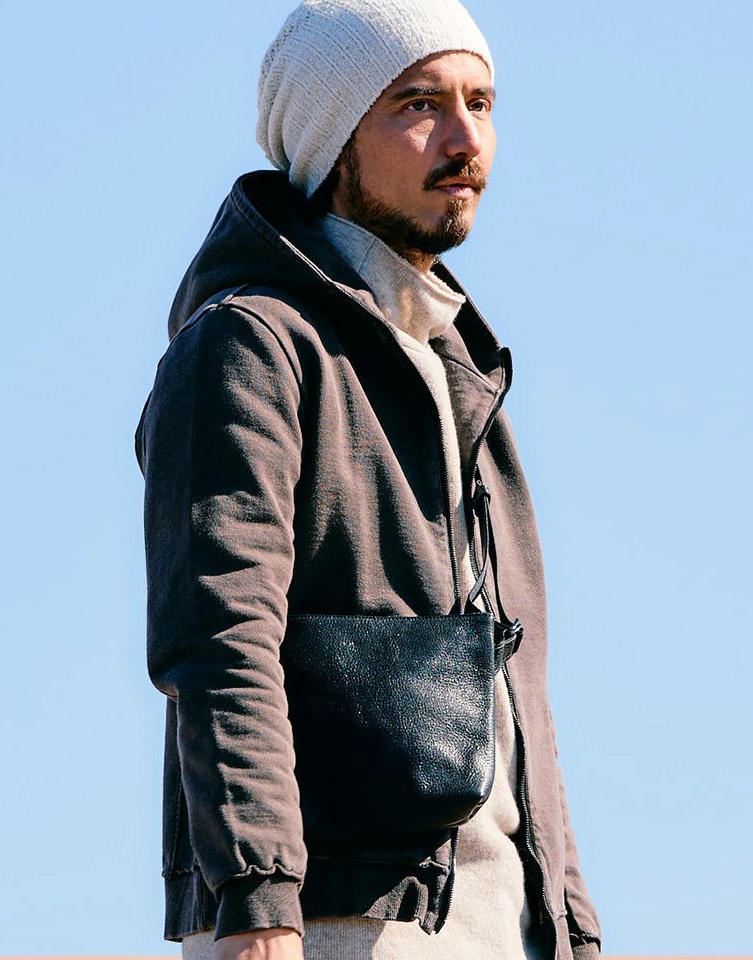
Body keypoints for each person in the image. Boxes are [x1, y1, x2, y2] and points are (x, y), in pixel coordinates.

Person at [134, 1, 602, 959]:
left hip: (506, 929)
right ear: (331, 138)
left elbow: (522, 701)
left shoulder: (464, 374)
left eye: (481, 102)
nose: (465, 139)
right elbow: (219, 637)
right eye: (419, 104)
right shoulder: (249, 344)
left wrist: (573, 929)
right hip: (333, 922)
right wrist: (259, 899)